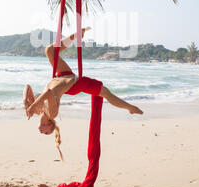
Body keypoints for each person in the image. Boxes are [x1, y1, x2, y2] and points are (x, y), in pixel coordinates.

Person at [23, 27, 143, 157]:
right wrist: (33, 105)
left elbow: (28, 87)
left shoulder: (37, 110)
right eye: (47, 133)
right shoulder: (52, 113)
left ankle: (75, 36)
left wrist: (26, 100)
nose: (42, 132)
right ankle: (130, 107)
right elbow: (49, 93)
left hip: (62, 76)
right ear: (50, 125)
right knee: (106, 93)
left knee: (49, 50)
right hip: (74, 85)